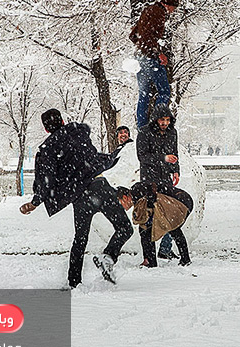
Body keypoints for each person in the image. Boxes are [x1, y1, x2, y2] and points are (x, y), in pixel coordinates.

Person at [19, 109, 133, 287]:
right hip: (99, 186)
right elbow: (91, 155)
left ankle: (74, 281)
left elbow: (47, 181)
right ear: (62, 121)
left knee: (80, 239)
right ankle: (109, 256)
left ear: (46, 129)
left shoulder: (48, 149)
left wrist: (35, 202)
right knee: (125, 228)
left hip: (79, 196)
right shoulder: (78, 132)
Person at [136, 103, 181, 261]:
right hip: (149, 180)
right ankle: (148, 256)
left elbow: (174, 153)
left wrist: (175, 169)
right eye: (162, 120)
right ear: (155, 120)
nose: (165, 123)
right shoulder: (144, 133)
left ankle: (165, 249)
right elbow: (143, 157)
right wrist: (163, 159)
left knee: (169, 214)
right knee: (148, 218)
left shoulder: (172, 132)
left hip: (166, 179)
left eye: (167, 120)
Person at [130, 0, 179, 130]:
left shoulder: (147, 10)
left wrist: (141, 47)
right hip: (150, 57)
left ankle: (142, 128)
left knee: (144, 94)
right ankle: (157, 122)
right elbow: (149, 37)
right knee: (164, 91)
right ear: (168, 5)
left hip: (139, 56)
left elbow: (133, 35)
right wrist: (159, 54)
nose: (172, 12)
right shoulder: (159, 13)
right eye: (173, 8)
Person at [117, 182, 192, 267]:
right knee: (147, 229)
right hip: (181, 201)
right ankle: (151, 260)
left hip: (180, 201)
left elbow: (151, 190)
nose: (120, 208)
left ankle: (151, 261)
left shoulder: (136, 191)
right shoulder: (137, 196)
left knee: (170, 228)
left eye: (120, 203)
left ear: (125, 197)